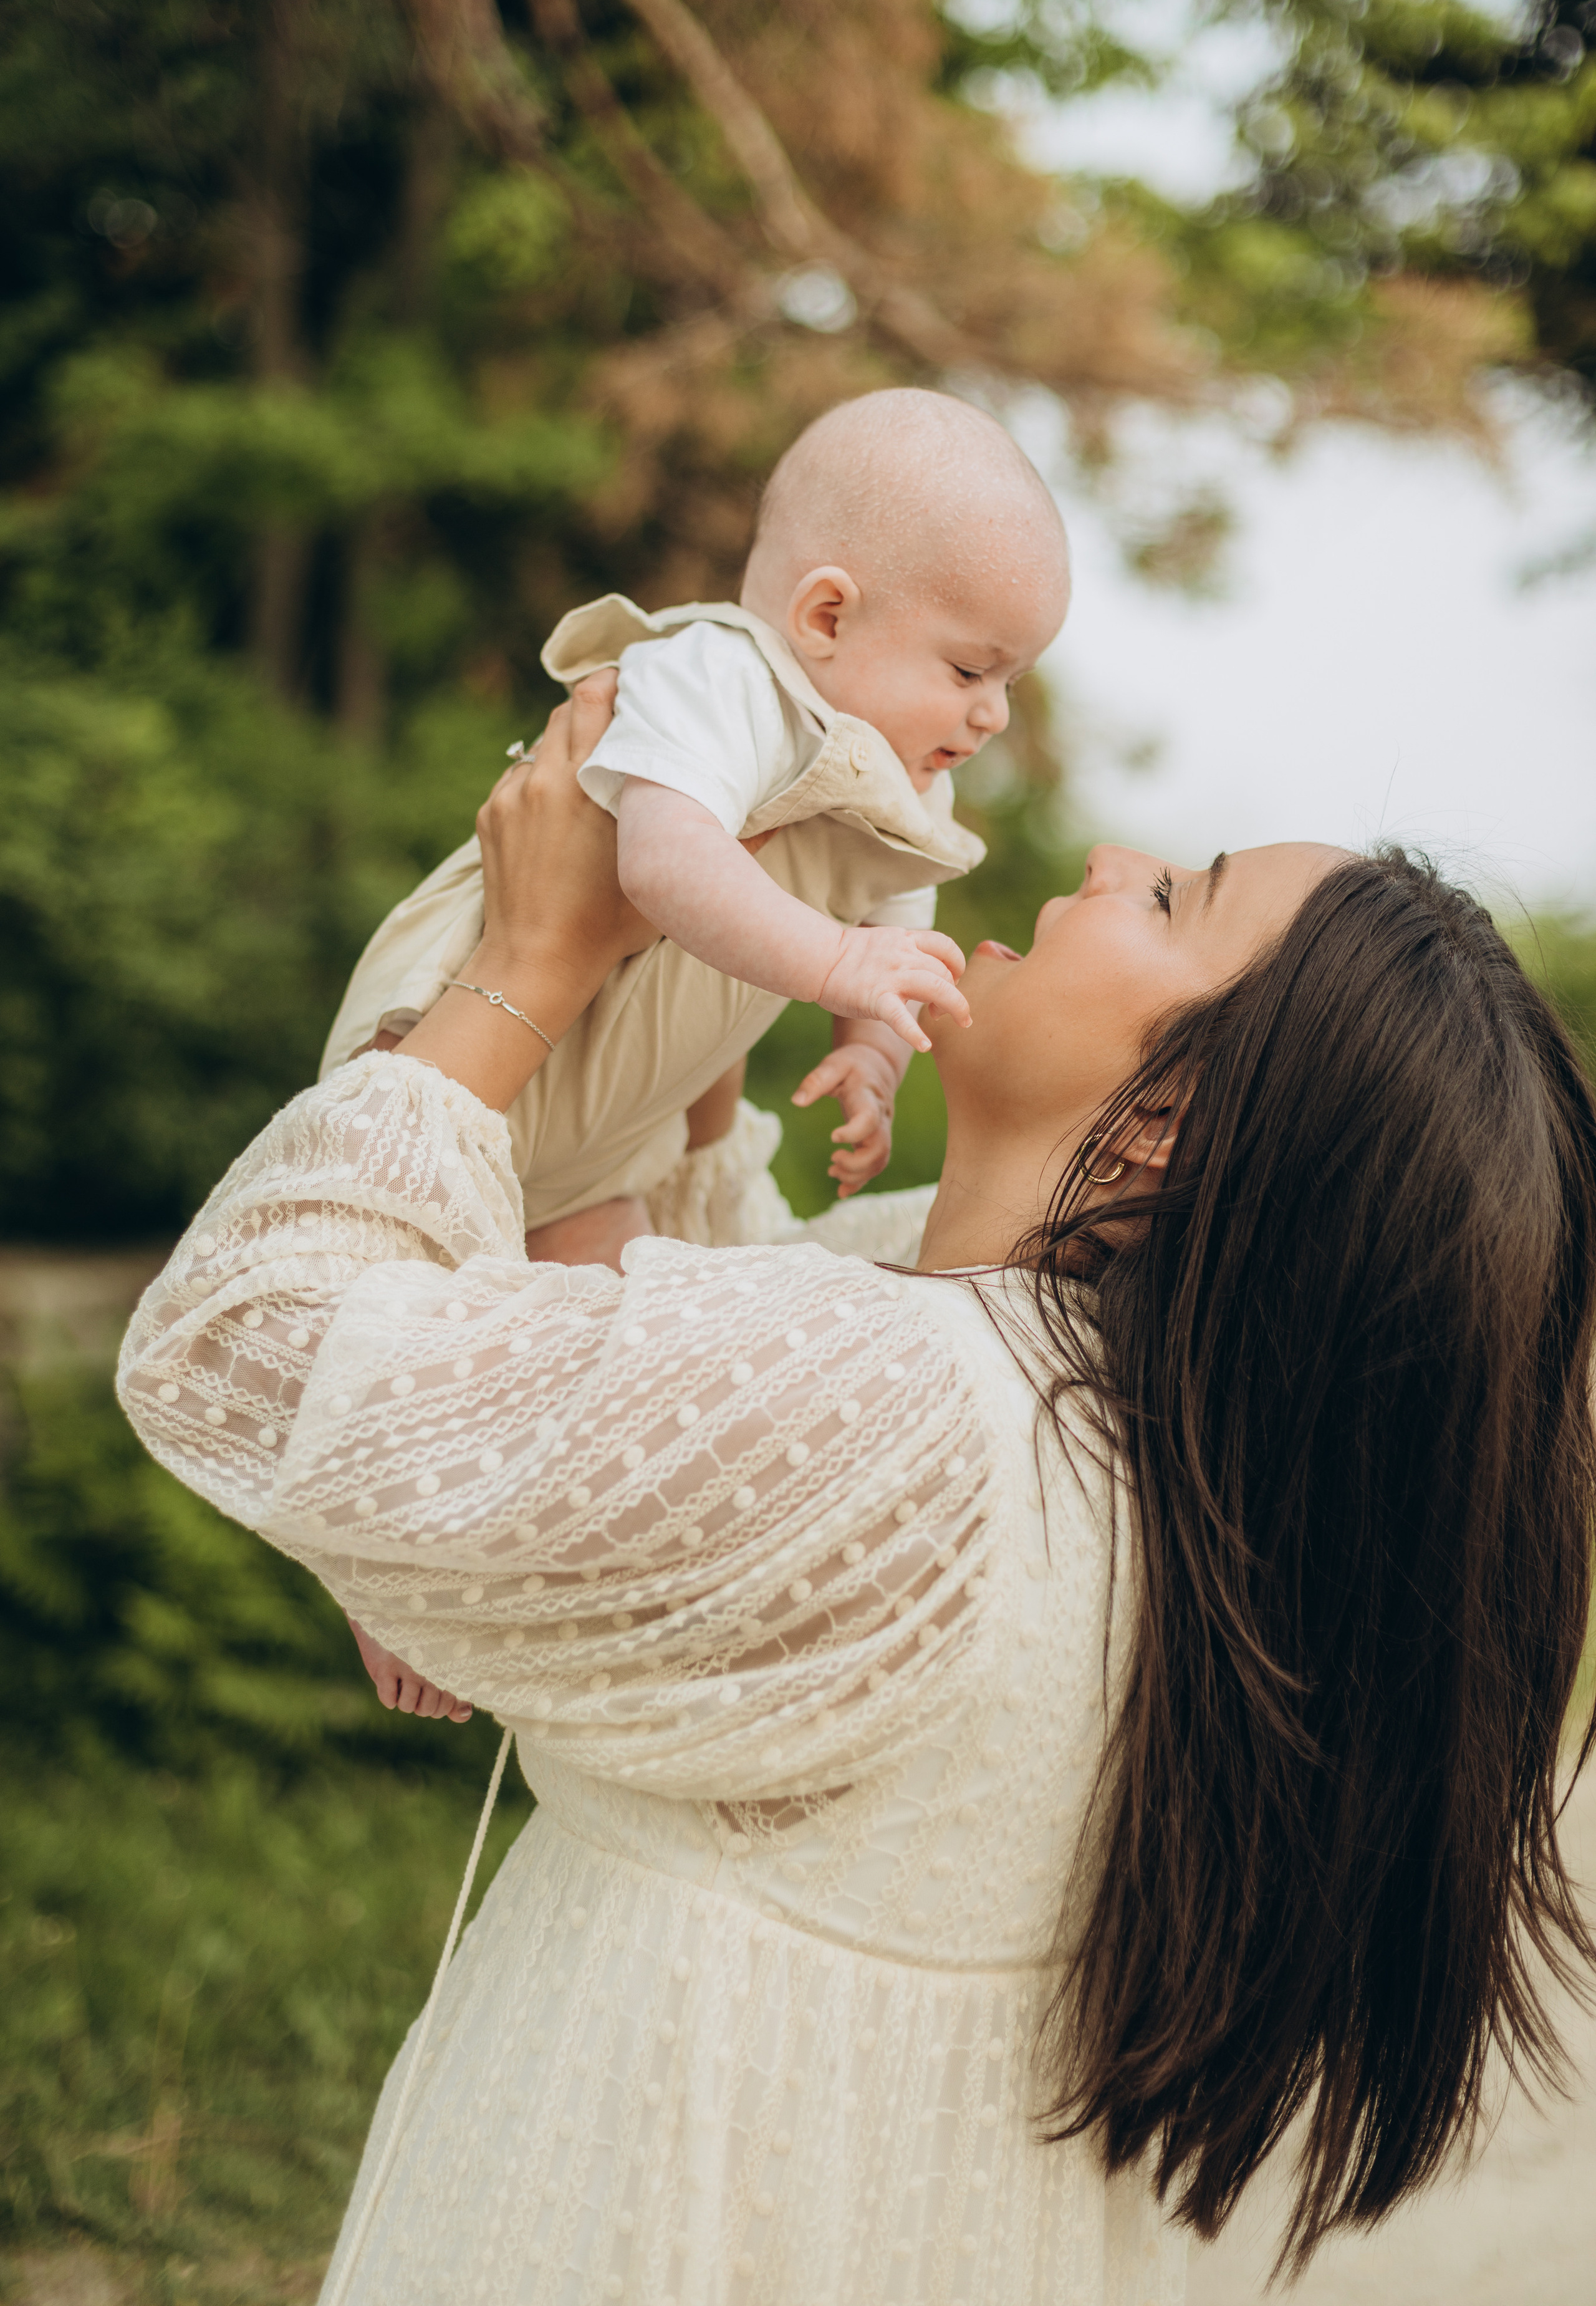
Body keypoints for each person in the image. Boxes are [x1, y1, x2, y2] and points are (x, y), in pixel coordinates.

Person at [117, 683, 1596, 2305]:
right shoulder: (1129, 1437)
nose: (1108, 859)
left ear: (1170, 1120)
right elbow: (731, 1299)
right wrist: (680, 1049)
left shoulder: (913, 1418)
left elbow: (251, 1342)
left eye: (1174, 899)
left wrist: (520, 975)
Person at [320, 390, 1071, 1257]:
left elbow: (893, 935)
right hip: (456, 1037)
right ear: (826, 616)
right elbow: (663, 862)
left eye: (1009, 685)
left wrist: (874, 1057)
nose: (993, 717)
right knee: (370, 1247)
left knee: (615, 1327)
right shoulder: (724, 678)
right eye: (971, 670)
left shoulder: (908, 785)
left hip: (604, 1159)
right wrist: (832, 960)